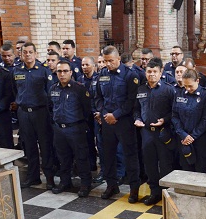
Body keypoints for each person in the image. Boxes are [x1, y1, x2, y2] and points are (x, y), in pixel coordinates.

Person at [95, 45, 141, 201]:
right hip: (107, 121)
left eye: (111, 61)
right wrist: (104, 113)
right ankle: (111, 185)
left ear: (119, 59)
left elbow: (132, 101)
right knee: (107, 155)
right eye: (105, 61)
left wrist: (116, 114)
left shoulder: (130, 75)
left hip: (124, 122)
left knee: (130, 155)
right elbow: (98, 98)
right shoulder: (102, 75)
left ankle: (134, 188)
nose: (108, 64)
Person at [12, 42, 55, 189]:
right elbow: (14, 91)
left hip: (41, 113)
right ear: (21, 54)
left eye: (30, 52)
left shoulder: (43, 71)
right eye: (25, 52)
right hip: (24, 113)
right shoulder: (17, 71)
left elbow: (50, 93)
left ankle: (49, 178)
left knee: (45, 146)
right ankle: (33, 177)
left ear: (35, 54)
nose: (28, 55)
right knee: (29, 147)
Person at [134, 58, 176, 205]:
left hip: (162, 133)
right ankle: (154, 192)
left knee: (165, 165)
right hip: (146, 133)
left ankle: (167, 195)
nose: (151, 74)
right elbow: (137, 109)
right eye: (149, 71)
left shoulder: (169, 90)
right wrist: (137, 119)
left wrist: (164, 120)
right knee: (149, 164)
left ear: (161, 72)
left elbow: (174, 112)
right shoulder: (141, 89)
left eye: (155, 72)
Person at [49, 60, 92, 197]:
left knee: (81, 157)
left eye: (65, 71)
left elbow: (87, 110)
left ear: (71, 72)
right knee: (63, 157)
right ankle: (65, 181)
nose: (62, 74)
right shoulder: (53, 88)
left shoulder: (79, 89)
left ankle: (85, 184)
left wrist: (79, 123)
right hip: (59, 129)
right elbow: (51, 108)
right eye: (59, 71)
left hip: (75, 128)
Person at [172, 69, 206, 172]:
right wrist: (183, 134)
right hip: (183, 139)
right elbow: (174, 116)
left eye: (190, 86)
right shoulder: (179, 94)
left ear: (197, 81)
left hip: (200, 140)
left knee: (201, 170)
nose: (187, 88)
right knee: (186, 169)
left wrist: (192, 136)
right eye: (185, 86)